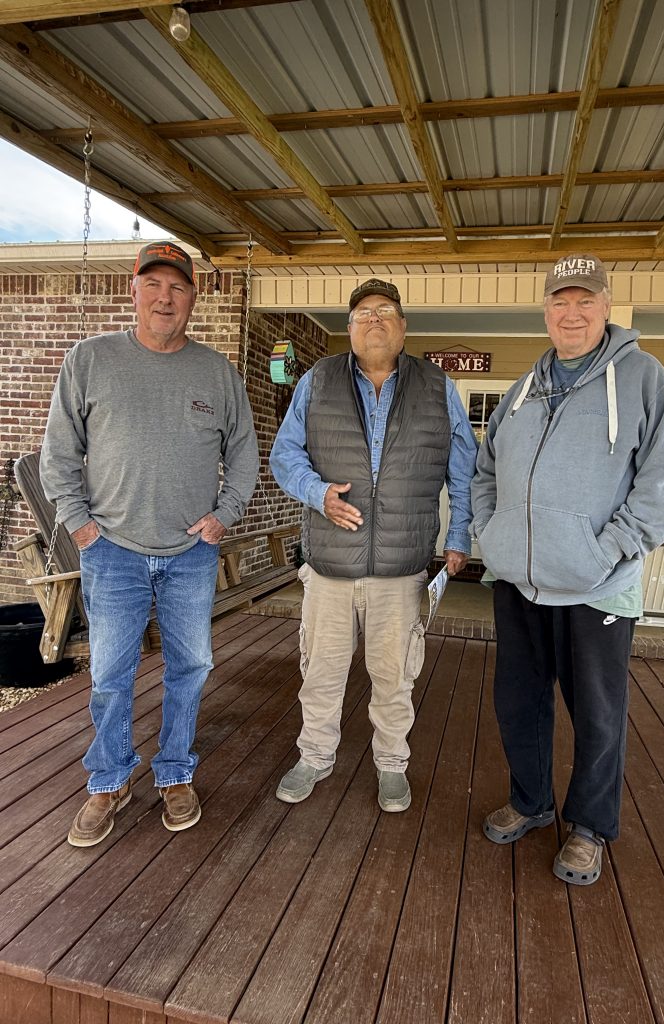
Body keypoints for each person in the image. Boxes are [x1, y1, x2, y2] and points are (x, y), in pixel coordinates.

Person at [471, 253, 664, 885]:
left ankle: (589, 826)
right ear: (546, 311)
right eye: (560, 301)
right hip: (519, 581)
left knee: (596, 714)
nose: (572, 313)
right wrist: (491, 533)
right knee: (519, 704)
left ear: (606, 307)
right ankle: (532, 802)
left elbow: (662, 482)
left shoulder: (644, 378)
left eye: (585, 301)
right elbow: (486, 470)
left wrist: (608, 549)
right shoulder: (523, 389)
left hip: (597, 586)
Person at [40, 240, 259, 847]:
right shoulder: (90, 360)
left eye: (178, 287)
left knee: (191, 666)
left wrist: (224, 516)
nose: (166, 298)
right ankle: (109, 780)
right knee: (111, 672)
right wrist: (80, 524)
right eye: (154, 285)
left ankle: (175, 771)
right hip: (111, 550)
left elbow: (244, 455)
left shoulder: (218, 373)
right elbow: (58, 455)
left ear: (193, 298)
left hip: (191, 553)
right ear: (132, 291)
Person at [270, 278, 477, 812]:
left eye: (385, 310)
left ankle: (391, 763)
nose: (374, 319)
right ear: (350, 328)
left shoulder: (438, 387)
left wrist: (458, 537)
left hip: (401, 570)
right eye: (363, 313)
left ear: (403, 327)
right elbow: (284, 455)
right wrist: (317, 493)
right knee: (321, 673)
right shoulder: (318, 379)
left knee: (394, 677)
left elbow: (464, 469)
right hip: (330, 567)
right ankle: (315, 756)